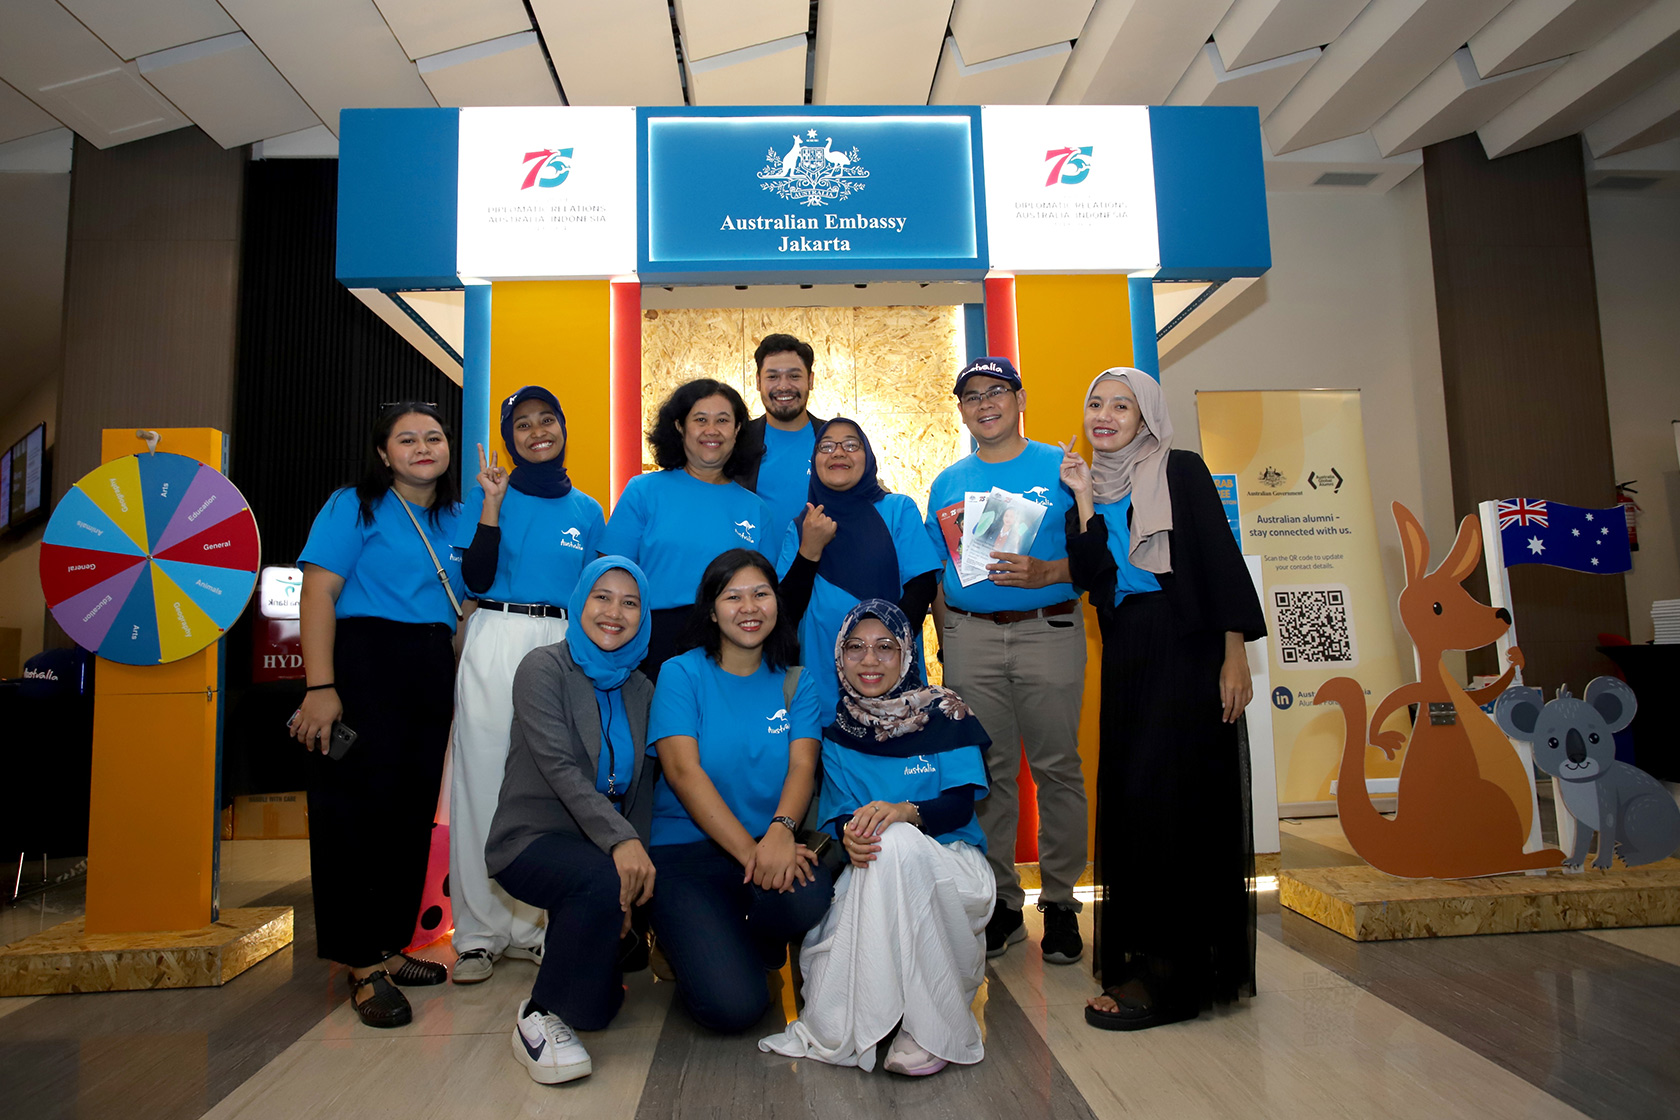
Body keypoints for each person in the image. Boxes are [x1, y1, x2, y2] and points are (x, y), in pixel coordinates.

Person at [1060, 367, 1264, 1031]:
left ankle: (1175, 978)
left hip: (1187, 646)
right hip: (1128, 655)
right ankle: (1151, 958)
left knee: (1175, 805)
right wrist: (1087, 499)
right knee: (1134, 804)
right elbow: (1095, 579)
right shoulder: (1087, 486)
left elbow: (1218, 560)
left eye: (1122, 405)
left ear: (1147, 416)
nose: (1105, 415)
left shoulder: (1181, 469)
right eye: (1096, 404)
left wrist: (1235, 654)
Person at [759, 600, 993, 1076]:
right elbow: (838, 819)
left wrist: (905, 813)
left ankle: (923, 1026)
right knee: (887, 846)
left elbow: (960, 805)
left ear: (907, 652)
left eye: (885, 647)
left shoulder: (949, 713)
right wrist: (850, 835)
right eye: (856, 648)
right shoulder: (839, 734)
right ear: (839, 657)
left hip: (951, 868)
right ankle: (907, 1019)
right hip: (871, 873)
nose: (870, 660)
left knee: (899, 840)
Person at [292, 402, 464, 1028]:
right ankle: (361, 964)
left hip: (429, 669)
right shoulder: (352, 506)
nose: (424, 447)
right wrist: (322, 685)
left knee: (410, 814)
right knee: (352, 815)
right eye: (408, 439)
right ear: (383, 453)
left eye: (435, 437)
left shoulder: (455, 517)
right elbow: (318, 593)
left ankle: (391, 946)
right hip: (362, 664)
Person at [924, 356, 1087, 965]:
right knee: (987, 774)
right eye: (971, 396)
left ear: (1021, 399)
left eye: (996, 391)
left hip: (1049, 629)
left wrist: (1048, 572)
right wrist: (946, 634)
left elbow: (1101, 556)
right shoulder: (948, 481)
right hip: (970, 637)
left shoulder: (1061, 467)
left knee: (1056, 768)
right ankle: (1001, 903)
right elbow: (938, 570)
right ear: (961, 410)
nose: (984, 403)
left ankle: (1065, 904)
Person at [449, 386, 605, 984]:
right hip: (496, 627)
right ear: (510, 437)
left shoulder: (589, 511)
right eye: (523, 425)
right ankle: (479, 934)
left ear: (564, 427)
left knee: (554, 782)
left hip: (561, 642)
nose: (537, 431)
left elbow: (593, 594)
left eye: (548, 420)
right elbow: (476, 576)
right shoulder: (489, 494)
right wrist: (491, 505)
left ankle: (538, 927)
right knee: (483, 777)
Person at [485, 557, 659, 1084]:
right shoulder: (544, 668)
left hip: (600, 853)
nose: (614, 612)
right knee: (597, 881)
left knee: (597, 1011)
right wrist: (621, 850)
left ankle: (576, 975)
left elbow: (642, 791)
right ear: (580, 601)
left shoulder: (641, 688)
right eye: (601, 597)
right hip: (531, 841)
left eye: (630, 603)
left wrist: (635, 877)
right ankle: (536, 1018)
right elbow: (559, 767)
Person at [645, 548, 833, 1032]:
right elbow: (684, 773)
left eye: (761, 594)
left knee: (810, 897)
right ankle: (681, 938)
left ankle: (751, 943)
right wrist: (755, 852)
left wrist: (781, 831)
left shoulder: (797, 682)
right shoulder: (680, 673)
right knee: (736, 1010)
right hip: (687, 853)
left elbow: (802, 767)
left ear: (777, 603)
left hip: (768, 841)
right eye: (733, 597)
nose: (749, 608)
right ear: (711, 609)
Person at [599, 379, 773, 680]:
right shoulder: (643, 491)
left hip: (732, 645)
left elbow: (767, 594)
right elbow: (609, 577)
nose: (712, 430)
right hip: (652, 644)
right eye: (700, 419)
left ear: (737, 430)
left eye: (723, 420)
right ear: (680, 427)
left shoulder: (755, 510)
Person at [776, 417, 942, 719]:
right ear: (814, 462)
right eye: (827, 446)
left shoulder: (897, 509)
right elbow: (784, 611)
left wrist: (882, 650)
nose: (838, 452)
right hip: (823, 688)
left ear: (867, 456)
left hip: (892, 681)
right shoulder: (801, 527)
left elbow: (922, 584)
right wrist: (809, 550)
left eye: (851, 445)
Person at [737, 333, 827, 548]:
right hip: (756, 575)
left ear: (810, 380)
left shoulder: (833, 439)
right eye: (772, 377)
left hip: (824, 574)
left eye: (794, 376)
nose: (783, 386)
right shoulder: (737, 441)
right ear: (758, 382)